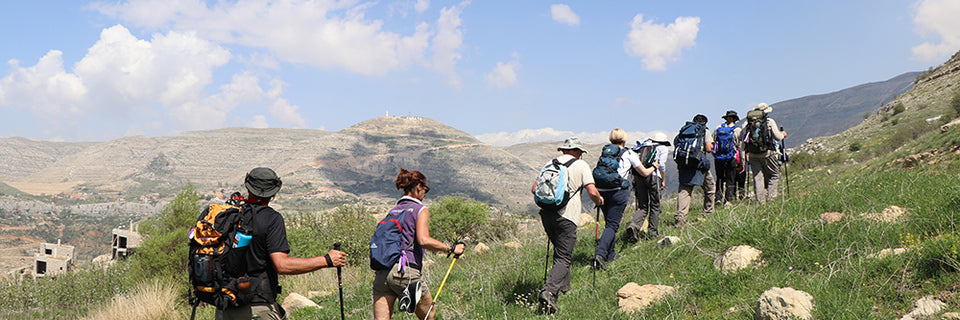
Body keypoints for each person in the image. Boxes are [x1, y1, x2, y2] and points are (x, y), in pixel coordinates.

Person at [219, 167, 347, 320]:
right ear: (273, 193)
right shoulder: (272, 219)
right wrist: (326, 260)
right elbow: (282, 265)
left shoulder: (228, 215)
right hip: (258, 308)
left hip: (225, 306)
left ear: (248, 187)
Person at [372, 168, 466, 320]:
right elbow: (424, 240)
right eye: (425, 190)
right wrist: (451, 248)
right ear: (418, 187)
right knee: (429, 315)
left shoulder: (393, 211)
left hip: (382, 273)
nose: (424, 194)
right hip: (405, 272)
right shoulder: (419, 209)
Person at [533, 137, 603, 315]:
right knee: (564, 257)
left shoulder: (550, 163)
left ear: (563, 150)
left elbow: (534, 189)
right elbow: (592, 191)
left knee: (560, 253)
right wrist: (599, 200)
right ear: (578, 152)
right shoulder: (581, 166)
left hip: (547, 214)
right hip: (566, 216)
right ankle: (549, 292)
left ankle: (564, 289)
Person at [593, 129, 657, 270]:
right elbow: (644, 173)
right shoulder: (629, 154)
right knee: (612, 225)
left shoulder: (605, 153)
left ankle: (611, 255)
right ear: (624, 140)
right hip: (618, 192)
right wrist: (654, 166)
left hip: (602, 191)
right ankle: (600, 255)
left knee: (609, 223)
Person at [624, 132, 670, 241]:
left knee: (642, 206)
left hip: (640, 177)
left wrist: (635, 181)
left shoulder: (642, 147)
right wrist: (663, 179)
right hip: (654, 176)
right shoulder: (662, 148)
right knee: (655, 205)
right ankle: (653, 232)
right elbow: (661, 165)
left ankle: (634, 225)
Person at [674, 114, 716, 226]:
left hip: (684, 164)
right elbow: (708, 148)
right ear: (705, 123)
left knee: (684, 190)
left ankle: (681, 217)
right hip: (698, 164)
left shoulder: (683, 131)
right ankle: (708, 212)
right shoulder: (704, 130)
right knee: (710, 187)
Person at [742, 103, 788, 203]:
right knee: (774, 174)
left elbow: (743, 140)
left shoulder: (746, 124)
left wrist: (745, 155)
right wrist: (783, 134)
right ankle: (771, 199)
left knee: (757, 178)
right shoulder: (769, 121)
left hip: (753, 154)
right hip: (767, 153)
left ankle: (760, 202)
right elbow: (777, 137)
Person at [713, 110, 744, 206]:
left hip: (719, 158)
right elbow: (740, 146)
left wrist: (715, 155)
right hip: (731, 157)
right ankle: (728, 200)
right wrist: (742, 163)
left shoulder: (718, 128)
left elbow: (713, 143)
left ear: (726, 118)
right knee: (731, 178)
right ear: (735, 119)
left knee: (719, 178)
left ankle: (718, 198)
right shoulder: (737, 130)